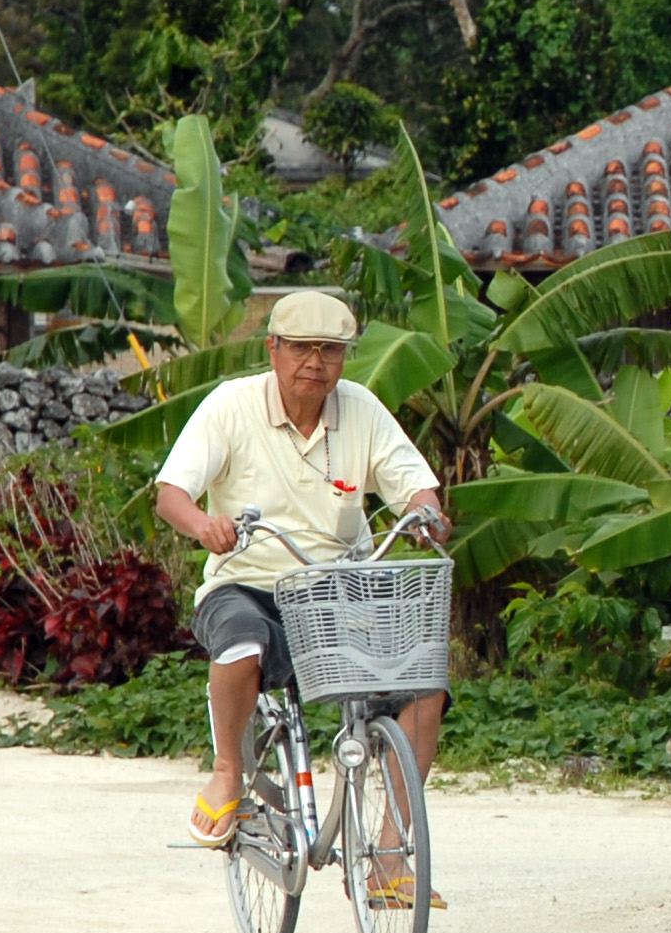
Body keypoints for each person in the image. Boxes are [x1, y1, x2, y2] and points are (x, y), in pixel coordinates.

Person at [151, 289, 449, 865]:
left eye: (330, 350)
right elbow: (171, 494)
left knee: (424, 681)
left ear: (344, 357)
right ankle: (227, 770)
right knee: (240, 642)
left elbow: (414, 483)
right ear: (273, 349)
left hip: (339, 591)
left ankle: (390, 852)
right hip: (248, 581)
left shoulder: (361, 409)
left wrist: (426, 514)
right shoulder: (232, 405)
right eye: (301, 348)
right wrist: (205, 526)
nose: (316, 362)